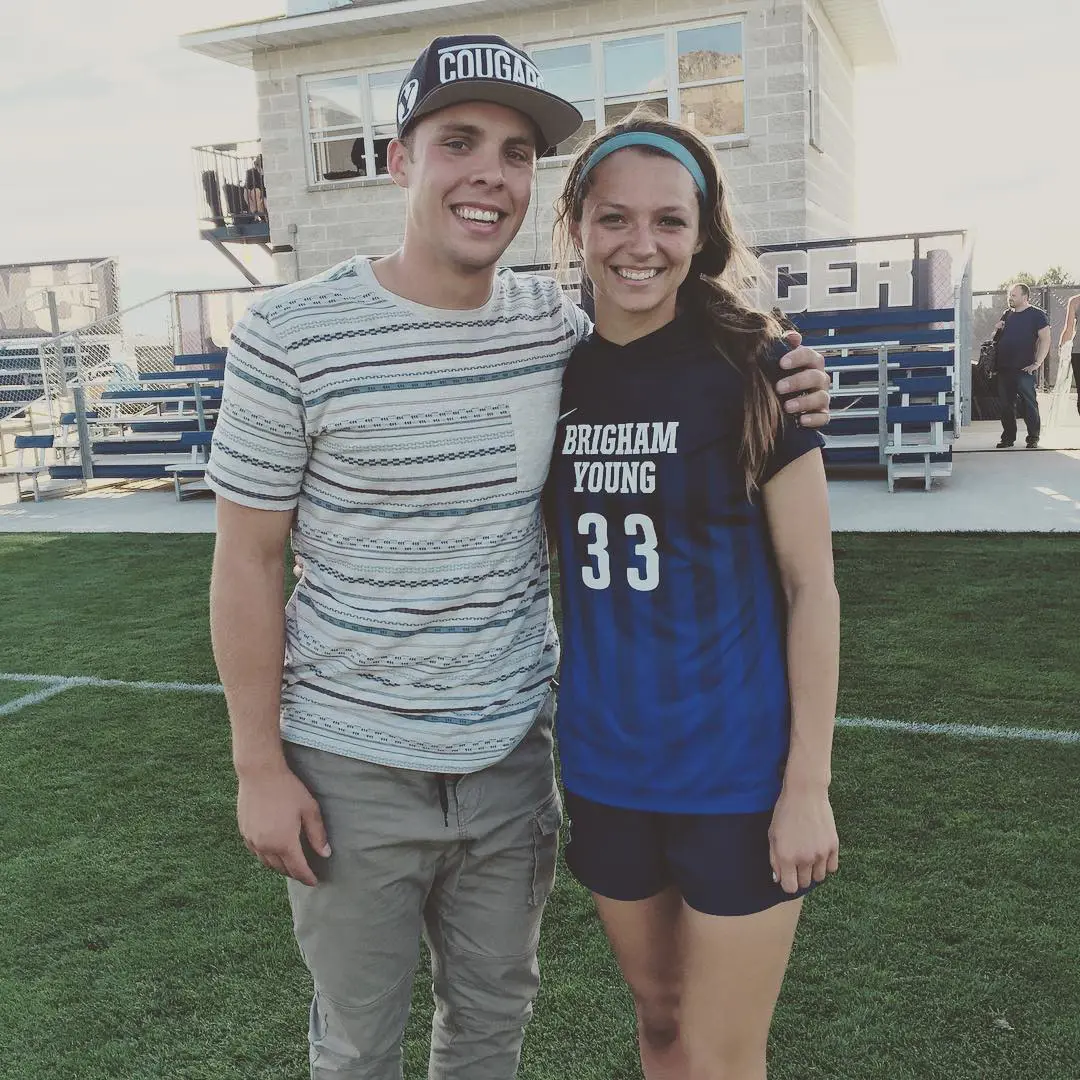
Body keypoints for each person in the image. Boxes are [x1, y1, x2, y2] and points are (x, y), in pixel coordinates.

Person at [206, 34, 832, 1080]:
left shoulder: (562, 330)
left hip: (515, 757)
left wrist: (797, 375)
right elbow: (247, 562)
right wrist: (257, 768)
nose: (487, 172)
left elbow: (795, 549)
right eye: (459, 141)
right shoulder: (293, 333)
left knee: (493, 1030)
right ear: (402, 157)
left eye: (513, 150)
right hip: (366, 761)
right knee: (361, 1044)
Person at [546, 113, 839, 1079]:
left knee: (721, 1054)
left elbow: (812, 588)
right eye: (614, 219)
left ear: (702, 231)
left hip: (737, 776)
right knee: (661, 1019)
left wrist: (806, 786)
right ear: (577, 225)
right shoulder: (548, 374)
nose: (642, 245)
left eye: (669, 221)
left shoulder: (758, 369)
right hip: (604, 766)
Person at [993, 282, 1050, 448]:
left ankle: (1033, 438)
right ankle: (1008, 438)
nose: (1010, 298)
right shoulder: (1007, 314)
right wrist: (996, 329)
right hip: (1004, 367)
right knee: (1006, 404)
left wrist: (1037, 363)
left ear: (1025, 297)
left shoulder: (1037, 315)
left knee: (1029, 403)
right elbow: (996, 338)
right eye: (1010, 294)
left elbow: (1045, 340)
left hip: (1024, 368)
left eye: (1014, 295)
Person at [1059, 292, 1080, 417]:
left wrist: (1061, 347)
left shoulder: (1075, 301)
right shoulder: (1075, 301)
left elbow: (1069, 328)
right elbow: (1069, 328)